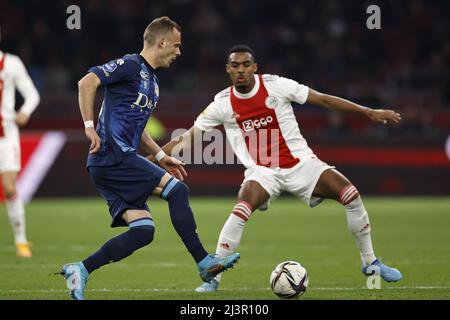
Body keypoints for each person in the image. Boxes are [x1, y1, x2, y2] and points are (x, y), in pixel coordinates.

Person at [161, 45, 403, 292]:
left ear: (254, 67)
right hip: (262, 172)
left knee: (350, 195)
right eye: (235, 66)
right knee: (242, 207)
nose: (241, 70)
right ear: (228, 70)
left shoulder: (276, 85)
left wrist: (368, 111)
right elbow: (188, 138)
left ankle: (370, 262)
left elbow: (322, 99)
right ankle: (214, 278)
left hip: (301, 164)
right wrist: (156, 155)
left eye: (246, 65)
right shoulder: (222, 103)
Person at [59, 17, 239, 300]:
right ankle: (204, 263)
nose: (179, 52)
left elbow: (138, 130)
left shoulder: (152, 84)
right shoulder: (130, 65)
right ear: (162, 41)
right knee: (177, 191)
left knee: (143, 231)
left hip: (110, 163)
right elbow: (87, 82)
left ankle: (80, 269)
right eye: (177, 45)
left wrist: (160, 155)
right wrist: (89, 127)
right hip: (112, 154)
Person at [0, 48, 40, 258]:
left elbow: (32, 94)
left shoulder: (11, 63)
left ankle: (21, 240)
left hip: (6, 136)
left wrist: (24, 112)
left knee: (8, 188)